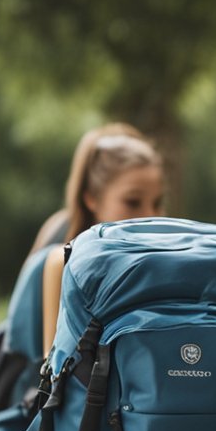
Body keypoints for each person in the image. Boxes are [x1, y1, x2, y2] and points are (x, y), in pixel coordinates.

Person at [40, 126, 164, 354]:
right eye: (133, 202)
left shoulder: (165, 264)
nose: (150, 216)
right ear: (92, 198)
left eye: (157, 203)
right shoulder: (63, 262)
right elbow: (53, 372)